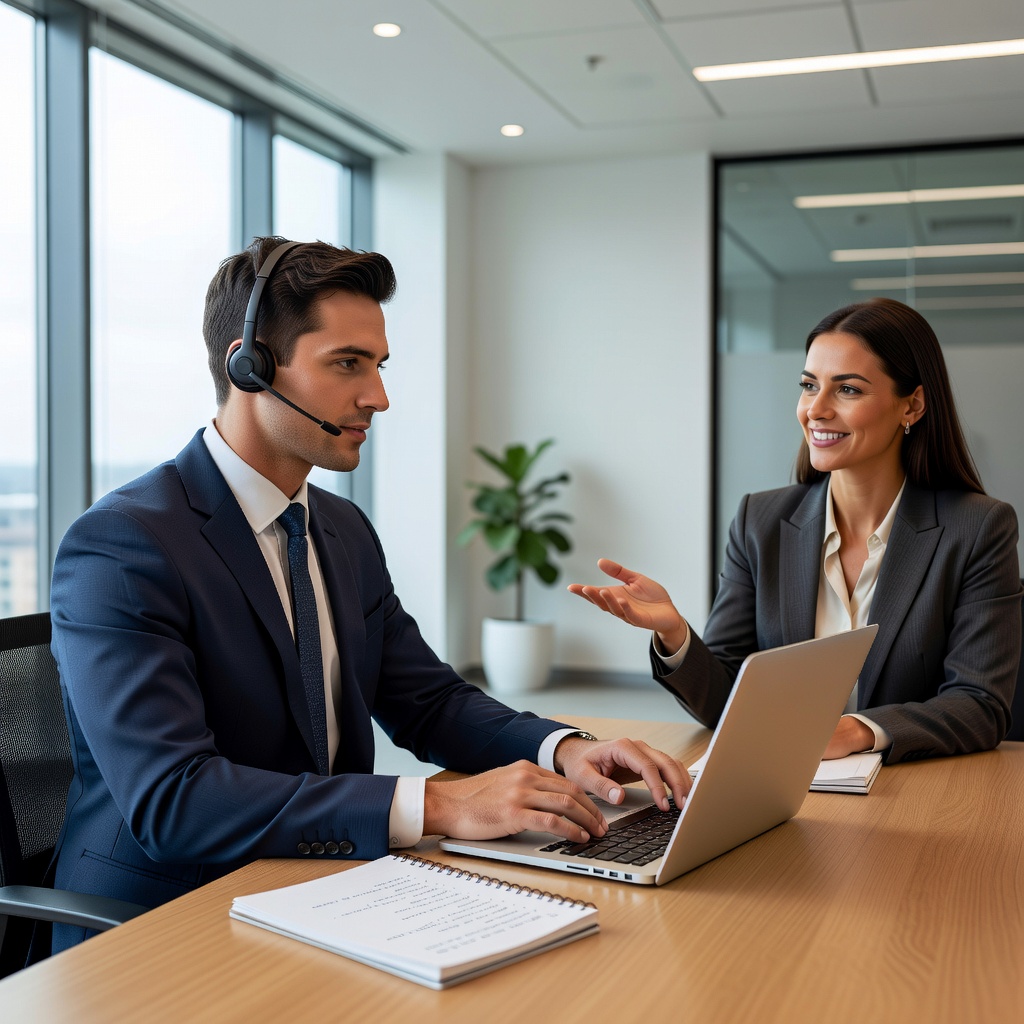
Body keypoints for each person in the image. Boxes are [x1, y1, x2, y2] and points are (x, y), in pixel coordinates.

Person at [48, 237, 689, 954]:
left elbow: (428, 701)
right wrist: (437, 803)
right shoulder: (124, 545)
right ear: (249, 365)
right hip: (162, 924)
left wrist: (562, 748)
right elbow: (175, 800)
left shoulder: (340, 528)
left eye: (379, 366)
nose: (378, 398)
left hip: (321, 886)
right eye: (347, 364)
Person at [570, 297, 1021, 765]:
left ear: (912, 405)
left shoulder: (977, 529)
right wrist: (675, 635)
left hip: (917, 786)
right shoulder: (760, 522)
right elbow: (726, 701)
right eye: (809, 386)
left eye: (848, 389)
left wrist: (858, 731)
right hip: (786, 787)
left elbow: (980, 704)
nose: (815, 410)